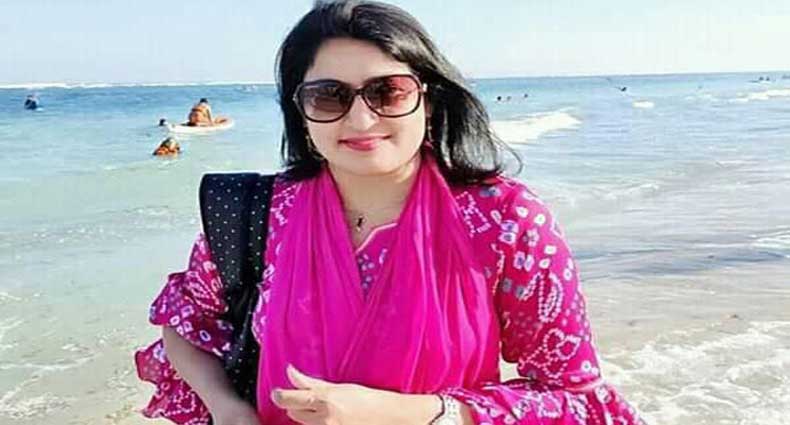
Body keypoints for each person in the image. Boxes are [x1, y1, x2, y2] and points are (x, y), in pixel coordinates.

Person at [134, 2, 645, 425]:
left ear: (429, 100)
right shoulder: (259, 213)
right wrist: (227, 408)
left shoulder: (504, 222)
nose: (361, 119)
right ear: (301, 113)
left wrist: (415, 413)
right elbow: (185, 321)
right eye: (328, 96)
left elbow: (575, 400)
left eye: (388, 91)